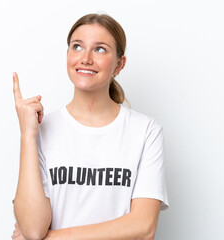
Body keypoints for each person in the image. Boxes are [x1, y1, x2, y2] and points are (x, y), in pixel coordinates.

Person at [11, 13, 169, 240]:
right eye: (77, 47)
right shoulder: (40, 130)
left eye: (100, 49)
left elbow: (143, 228)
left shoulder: (146, 131)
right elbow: (34, 230)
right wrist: (27, 134)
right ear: (67, 55)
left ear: (119, 64)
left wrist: (52, 238)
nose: (85, 58)